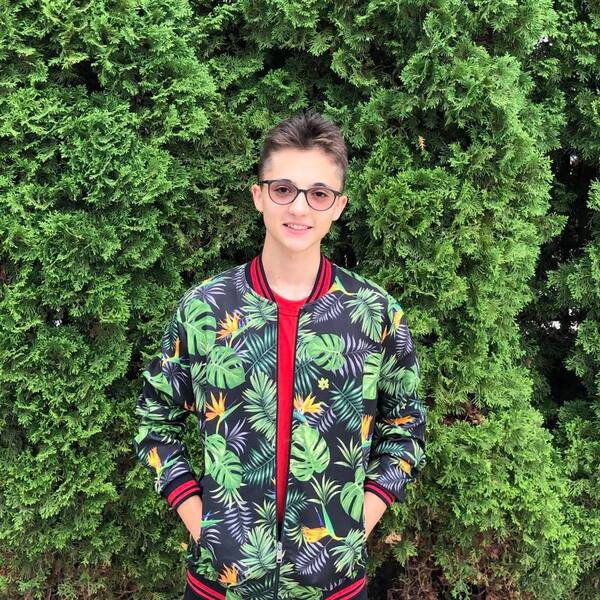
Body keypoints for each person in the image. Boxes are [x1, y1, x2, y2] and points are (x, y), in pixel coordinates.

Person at [132, 111, 427, 600]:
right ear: (258, 196)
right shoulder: (205, 308)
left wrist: (356, 525)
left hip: (334, 584)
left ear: (338, 206)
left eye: (319, 194)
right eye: (284, 189)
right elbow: (154, 420)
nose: (300, 208)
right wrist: (204, 525)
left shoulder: (373, 313)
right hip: (221, 585)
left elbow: (406, 427)